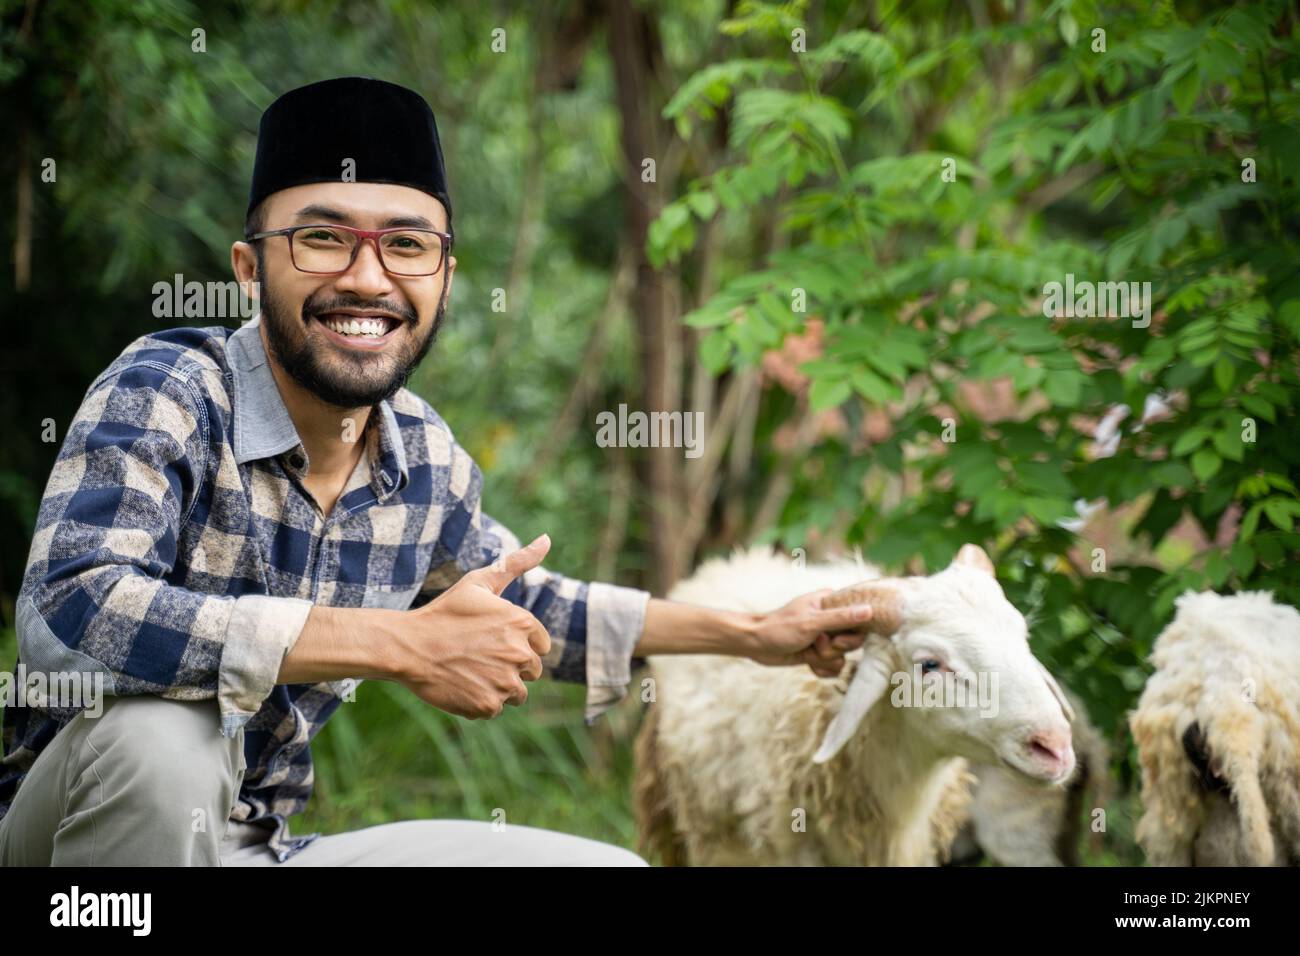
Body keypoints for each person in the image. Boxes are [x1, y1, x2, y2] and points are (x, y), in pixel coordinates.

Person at [0, 77, 875, 866]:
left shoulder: (421, 457)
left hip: (258, 847)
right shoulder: (171, 389)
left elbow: (530, 608)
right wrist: (398, 644)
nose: (367, 277)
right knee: (162, 741)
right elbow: (70, 611)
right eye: (321, 239)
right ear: (247, 266)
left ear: (445, 277)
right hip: (75, 843)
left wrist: (755, 634)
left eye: (407, 246)